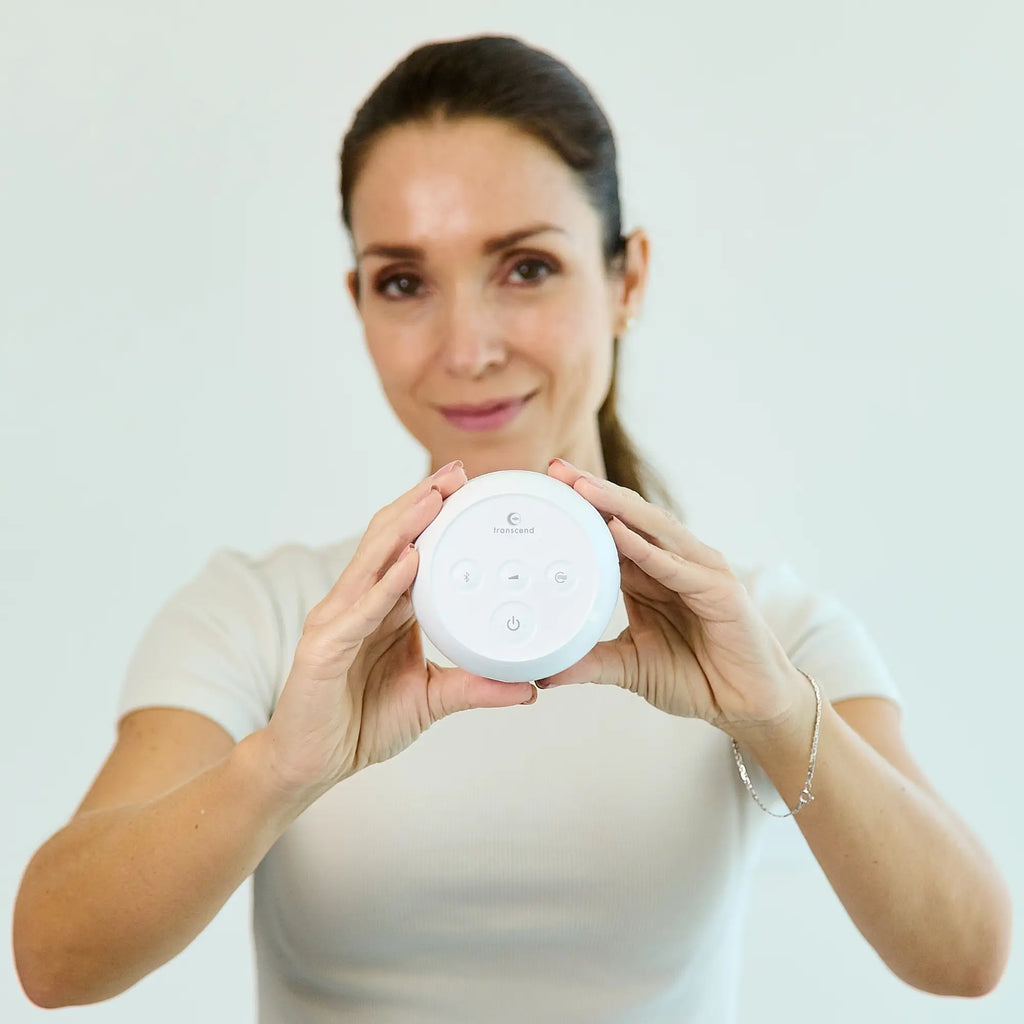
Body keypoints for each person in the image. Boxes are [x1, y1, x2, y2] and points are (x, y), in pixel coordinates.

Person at [14, 34, 1011, 1022]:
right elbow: (53, 959)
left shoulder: (761, 627)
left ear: (626, 279)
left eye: (525, 268)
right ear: (357, 300)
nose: (467, 347)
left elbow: (967, 955)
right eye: (403, 282)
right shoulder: (268, 617)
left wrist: (775, 714)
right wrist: (285, 764)